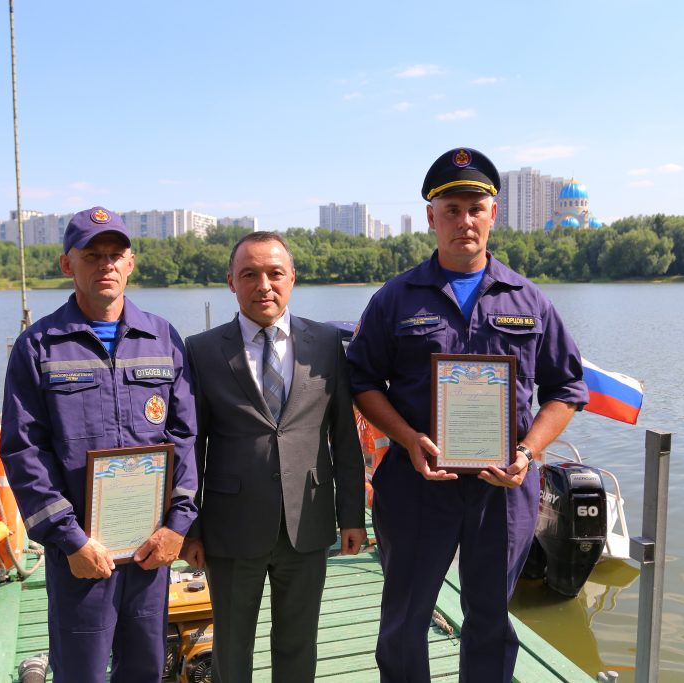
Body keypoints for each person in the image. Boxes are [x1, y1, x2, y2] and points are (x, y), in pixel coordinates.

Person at [345, 148, 589, 683]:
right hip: (416, 483)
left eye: (475, 208)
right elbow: (361, 380)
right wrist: (406, 437)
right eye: (451, 209)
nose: (464, 221)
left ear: (493, 214)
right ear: (432, 217)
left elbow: (567, 389)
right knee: (405, 620)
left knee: (490, 619)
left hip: (502, 488)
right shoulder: (395, 299)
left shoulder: (529, 300)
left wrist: (528, 452)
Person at [0, 206, 198, 682]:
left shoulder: (162, 337)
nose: (106, 264)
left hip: (149, 549)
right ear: (68, 265)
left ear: (131, 263)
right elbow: (25, 451)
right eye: (93, 255)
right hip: (81, 554)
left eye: (116, 254)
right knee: (82, 673)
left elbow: (186, 436)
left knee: (146, 668)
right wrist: (71, 539)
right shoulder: (39, 346)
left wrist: (177, 524)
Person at [180, 231, 367, 683]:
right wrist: (191, 528)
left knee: (298, 642)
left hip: (308, 522)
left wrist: (352, 517)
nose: (263, 284)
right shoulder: (202, 350)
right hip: (230, 527)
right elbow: (191, 445)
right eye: (249, 274)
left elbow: (344, 437)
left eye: (274, 273)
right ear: (231, 282)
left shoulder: (325, 343)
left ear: (292, 278)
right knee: (232, 645)